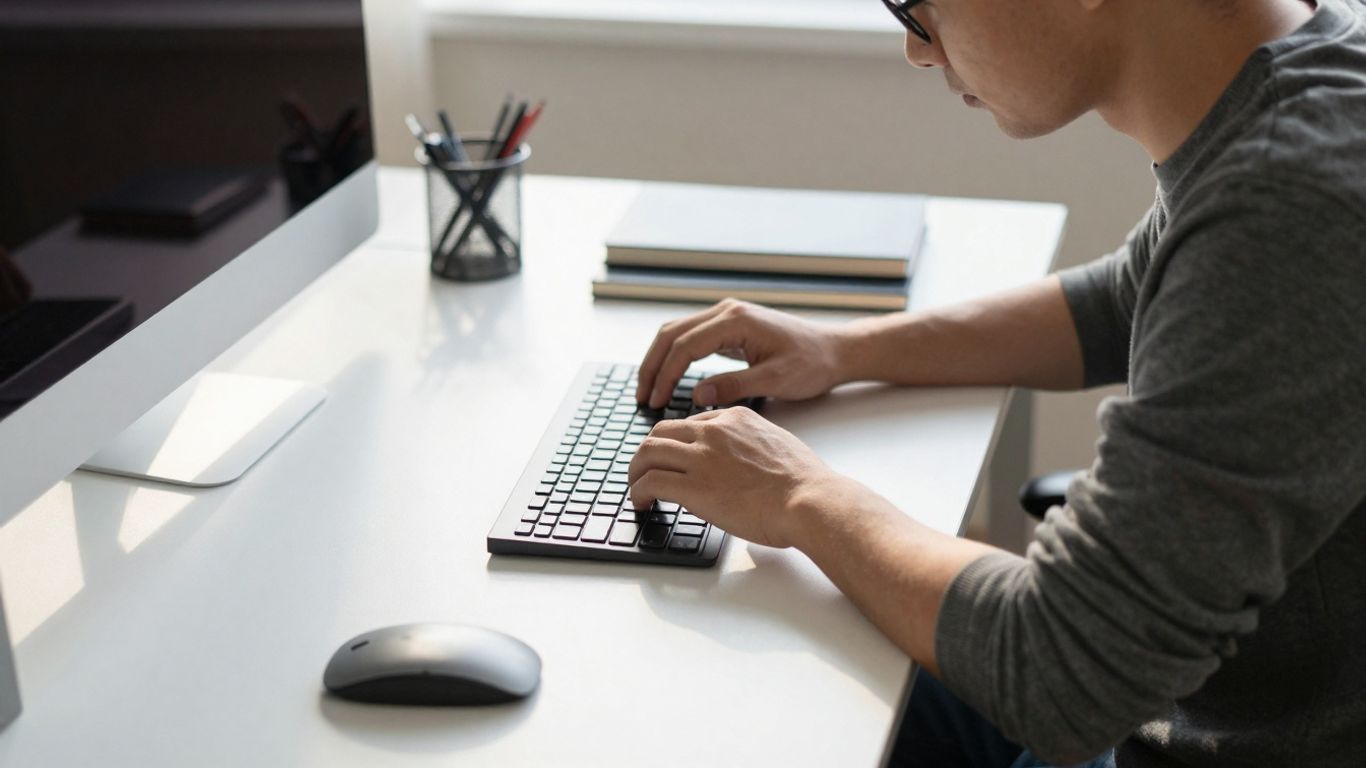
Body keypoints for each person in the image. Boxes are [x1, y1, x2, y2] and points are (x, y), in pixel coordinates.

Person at [626, 1, 1366, 766]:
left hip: (1155, 727)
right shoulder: (1308, 74)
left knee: (753, 706)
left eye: (919, 5)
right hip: (1163, 713)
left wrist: (799, 495)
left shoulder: (1288, 208)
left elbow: (1061, 670)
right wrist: (842, 350)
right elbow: (1127, 300)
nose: (918, 50)